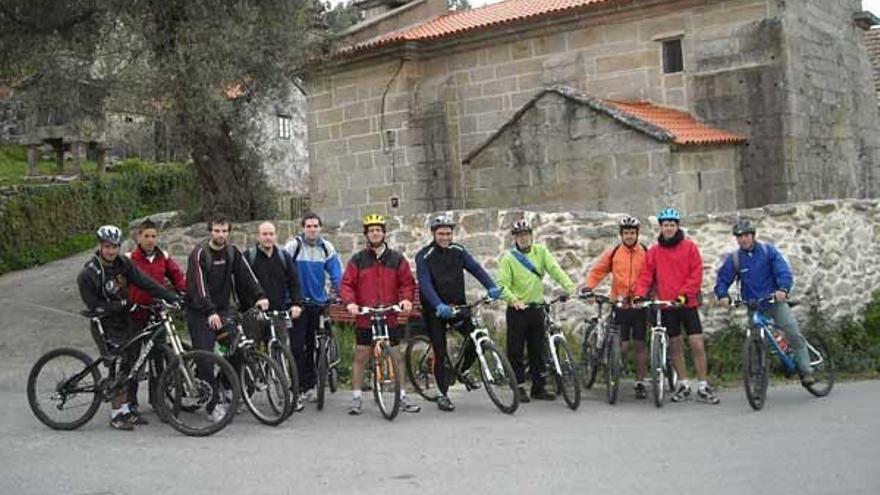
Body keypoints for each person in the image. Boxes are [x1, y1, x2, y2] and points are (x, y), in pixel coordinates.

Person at [77, 225, 180, 430]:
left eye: (115, 246)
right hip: (103, 323)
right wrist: (123, 304)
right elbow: (94, 305)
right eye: (107, 247)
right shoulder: (88, 273)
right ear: (100, 246)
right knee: (118, 366)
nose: (111, 251)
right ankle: (116, 415)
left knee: (129, 365)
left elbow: (144, 281)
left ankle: (126, 410)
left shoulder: (123, 263)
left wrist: (171, 296)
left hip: (125, 321)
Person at [415, 214, 503, 412]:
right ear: (433, 234)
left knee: (474, 336)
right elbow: (425, 283)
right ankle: (442, 394)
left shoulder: (459, 251)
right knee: (439, 349)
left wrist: (491, 286)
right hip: (435, 310)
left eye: (448, 233)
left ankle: (462, 370)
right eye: (441, 234)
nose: (445, 237)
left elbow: (475, 268)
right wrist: (437, 305)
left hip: (458, 306)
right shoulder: (423, 255)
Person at [185, 215, 268, 422]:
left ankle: (228, 386)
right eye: (216, 231)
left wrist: (260, 295)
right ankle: (213, 405)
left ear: (228, 232)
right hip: (200, 312)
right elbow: (200, 286)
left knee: (236, 349)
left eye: (224, 231)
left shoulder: (232, 252)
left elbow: (247, 276)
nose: (220, 235)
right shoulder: (200, 254)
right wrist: (210, 311)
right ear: (210, 231)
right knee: (205, 357)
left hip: (223, 309)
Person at [634, 208, 720, 404]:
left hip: (687, 303)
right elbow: (646, 276)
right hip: (666, 305)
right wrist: (640, 294)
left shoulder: (689, 247)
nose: (669, 228)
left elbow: (695, 274)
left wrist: (684, 295)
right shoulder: (655, 251)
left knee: (697, 343)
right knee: (675, 345)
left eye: (672, 225)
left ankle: (703, 385)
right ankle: (683, 384)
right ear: (661, 227)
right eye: (665, 225)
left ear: (677, 226)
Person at [714, 219, 814, 384]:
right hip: (754, 306)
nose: (743, 239)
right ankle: (762, 375)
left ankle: (806, 370)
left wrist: (783, 289)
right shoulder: (735, 259)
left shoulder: (768, 251)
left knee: (792, 332)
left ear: (753, 235)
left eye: (746, 235)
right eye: (739, 237)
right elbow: (723, 279)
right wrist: (723, 295)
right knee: (759, 342)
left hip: (775, 301)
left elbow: (783, 272)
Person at [340, 214, 420, 415]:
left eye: (378, 230)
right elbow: (347, 284)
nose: (375, 233)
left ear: (384, 233)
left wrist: (406, 299)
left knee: (396, 355)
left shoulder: (397, 259)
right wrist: (350, 304)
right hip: (366, 316)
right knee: (361, 355)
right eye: (371, 230)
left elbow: (407, 283)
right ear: (366, 234)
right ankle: (356, 397)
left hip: (389, 314)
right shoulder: (358, 259)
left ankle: (401, 396)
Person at [497, 218, 575, 403]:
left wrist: (569, 286)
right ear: (515, 238)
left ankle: (538, 387)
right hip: (517, 310)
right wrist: (513, 299)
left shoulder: (541, 252)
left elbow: (554, 269)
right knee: (516, 350)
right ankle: (519, 386)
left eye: (526, 234)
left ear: (531, 236)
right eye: (520, 235)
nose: (524, 238)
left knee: (537, 348)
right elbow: (501, 285)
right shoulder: (508, 259)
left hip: (536, 307)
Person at [581, 215, 649, 399]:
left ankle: (640, 382)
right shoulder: (613, 253)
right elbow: (597, 271)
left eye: (632, 233)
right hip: (619, 304)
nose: (629, 236)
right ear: (621, 234)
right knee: (621, 343)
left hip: (639, 305)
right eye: (626, 233)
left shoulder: (645, 251)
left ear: (637, 234)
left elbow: (652, 275)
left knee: (640, 343)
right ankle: (613, 372)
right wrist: (589, 286)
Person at [126, 219, 187, 422]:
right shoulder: (129, 259)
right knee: (133, 359)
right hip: (136, 315)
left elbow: (178, 277)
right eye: (146, 236)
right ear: (138, 237)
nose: (151, 240)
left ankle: (157, 400)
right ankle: (129, 402)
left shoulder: (164, 257)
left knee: (158, 361)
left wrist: (184, 294)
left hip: (158, 315)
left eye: (153, 236)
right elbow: (119, 285)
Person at [283, 212, 343, 405]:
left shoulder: (326, 247)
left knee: (313, 346)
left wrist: (340, 293)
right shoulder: (293, 247)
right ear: (303, 228)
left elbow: (336, 274)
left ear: (320, 228)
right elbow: (282, 272)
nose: (312, 229)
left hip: (318, 304)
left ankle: (308, 385)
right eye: (308, 226)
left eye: (315, 226)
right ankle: (296, 387)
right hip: (298, 305)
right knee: (297, 347)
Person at [244, 222, 304, 409]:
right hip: (254, 314)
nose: (268, 237)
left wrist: (296, 304)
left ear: (276, 235)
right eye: (264, 234)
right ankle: (242, 393)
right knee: (248, 354)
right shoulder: (249, 257)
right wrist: (249, 304)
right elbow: (240, 282)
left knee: (280, 353)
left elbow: (294, 282)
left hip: (277, 313)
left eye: (271, 234)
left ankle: (284, 394)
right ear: (258, 236)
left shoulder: (283, 257)